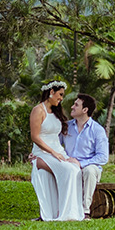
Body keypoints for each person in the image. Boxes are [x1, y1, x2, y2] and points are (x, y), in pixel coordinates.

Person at [28, 80, 85, 221]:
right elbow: (35, 137)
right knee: (69, 170)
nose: (61, 98)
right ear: (51, 92)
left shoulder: (56, 111)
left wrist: (62, 154)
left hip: (59, 152)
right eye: (60, 94)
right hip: (44, 152)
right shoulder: (38, 110)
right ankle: (65, 213)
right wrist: (53, 153)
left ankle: (70, 212)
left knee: (75, 169)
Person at [62, 93, 108, 218]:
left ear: (85, 110)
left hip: (89, 167)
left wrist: (81, 164)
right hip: (69, 165)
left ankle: (85, 211)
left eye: (76, 105)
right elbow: (54, 143)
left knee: (89, 171)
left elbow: (103, 157)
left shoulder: (97, 130)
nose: (72, 107)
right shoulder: (66, 127)